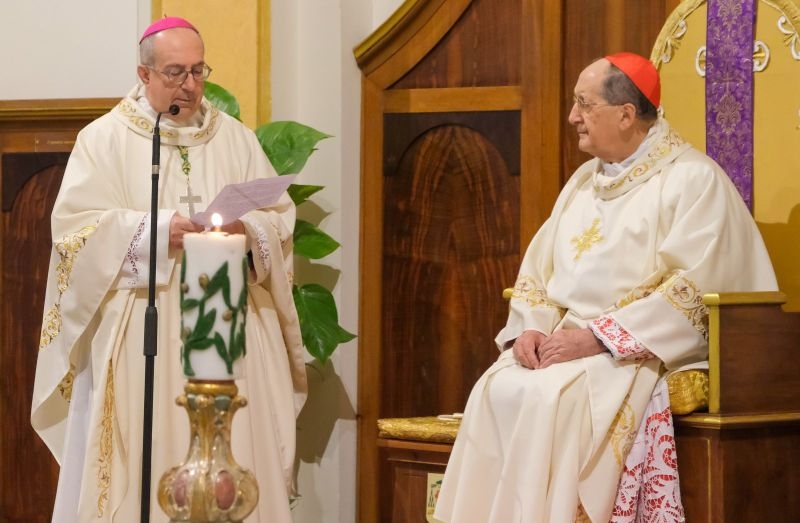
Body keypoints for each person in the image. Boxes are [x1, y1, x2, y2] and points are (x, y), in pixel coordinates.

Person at [433, 52, 778, 522]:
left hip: (636, 352)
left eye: (584, 103)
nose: (572, 117)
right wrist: (530, 329)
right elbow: (539, 273)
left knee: (550, 396)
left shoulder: (692, 180)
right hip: (568, 343)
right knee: (496, 386)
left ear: (626, 114)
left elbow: (694, 293)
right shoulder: (583, 181)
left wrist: (596, 339)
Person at [31, 17, 307, 523]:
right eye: (176, 72)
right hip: (143, 332)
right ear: (144, 74)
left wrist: (248, 232)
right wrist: (156, 232)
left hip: (230, 327)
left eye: (198, 71)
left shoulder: (236, 139)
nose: (191, 85)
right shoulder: (105, 139)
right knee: (149, 450)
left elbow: (278, 219)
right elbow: (73, 234)